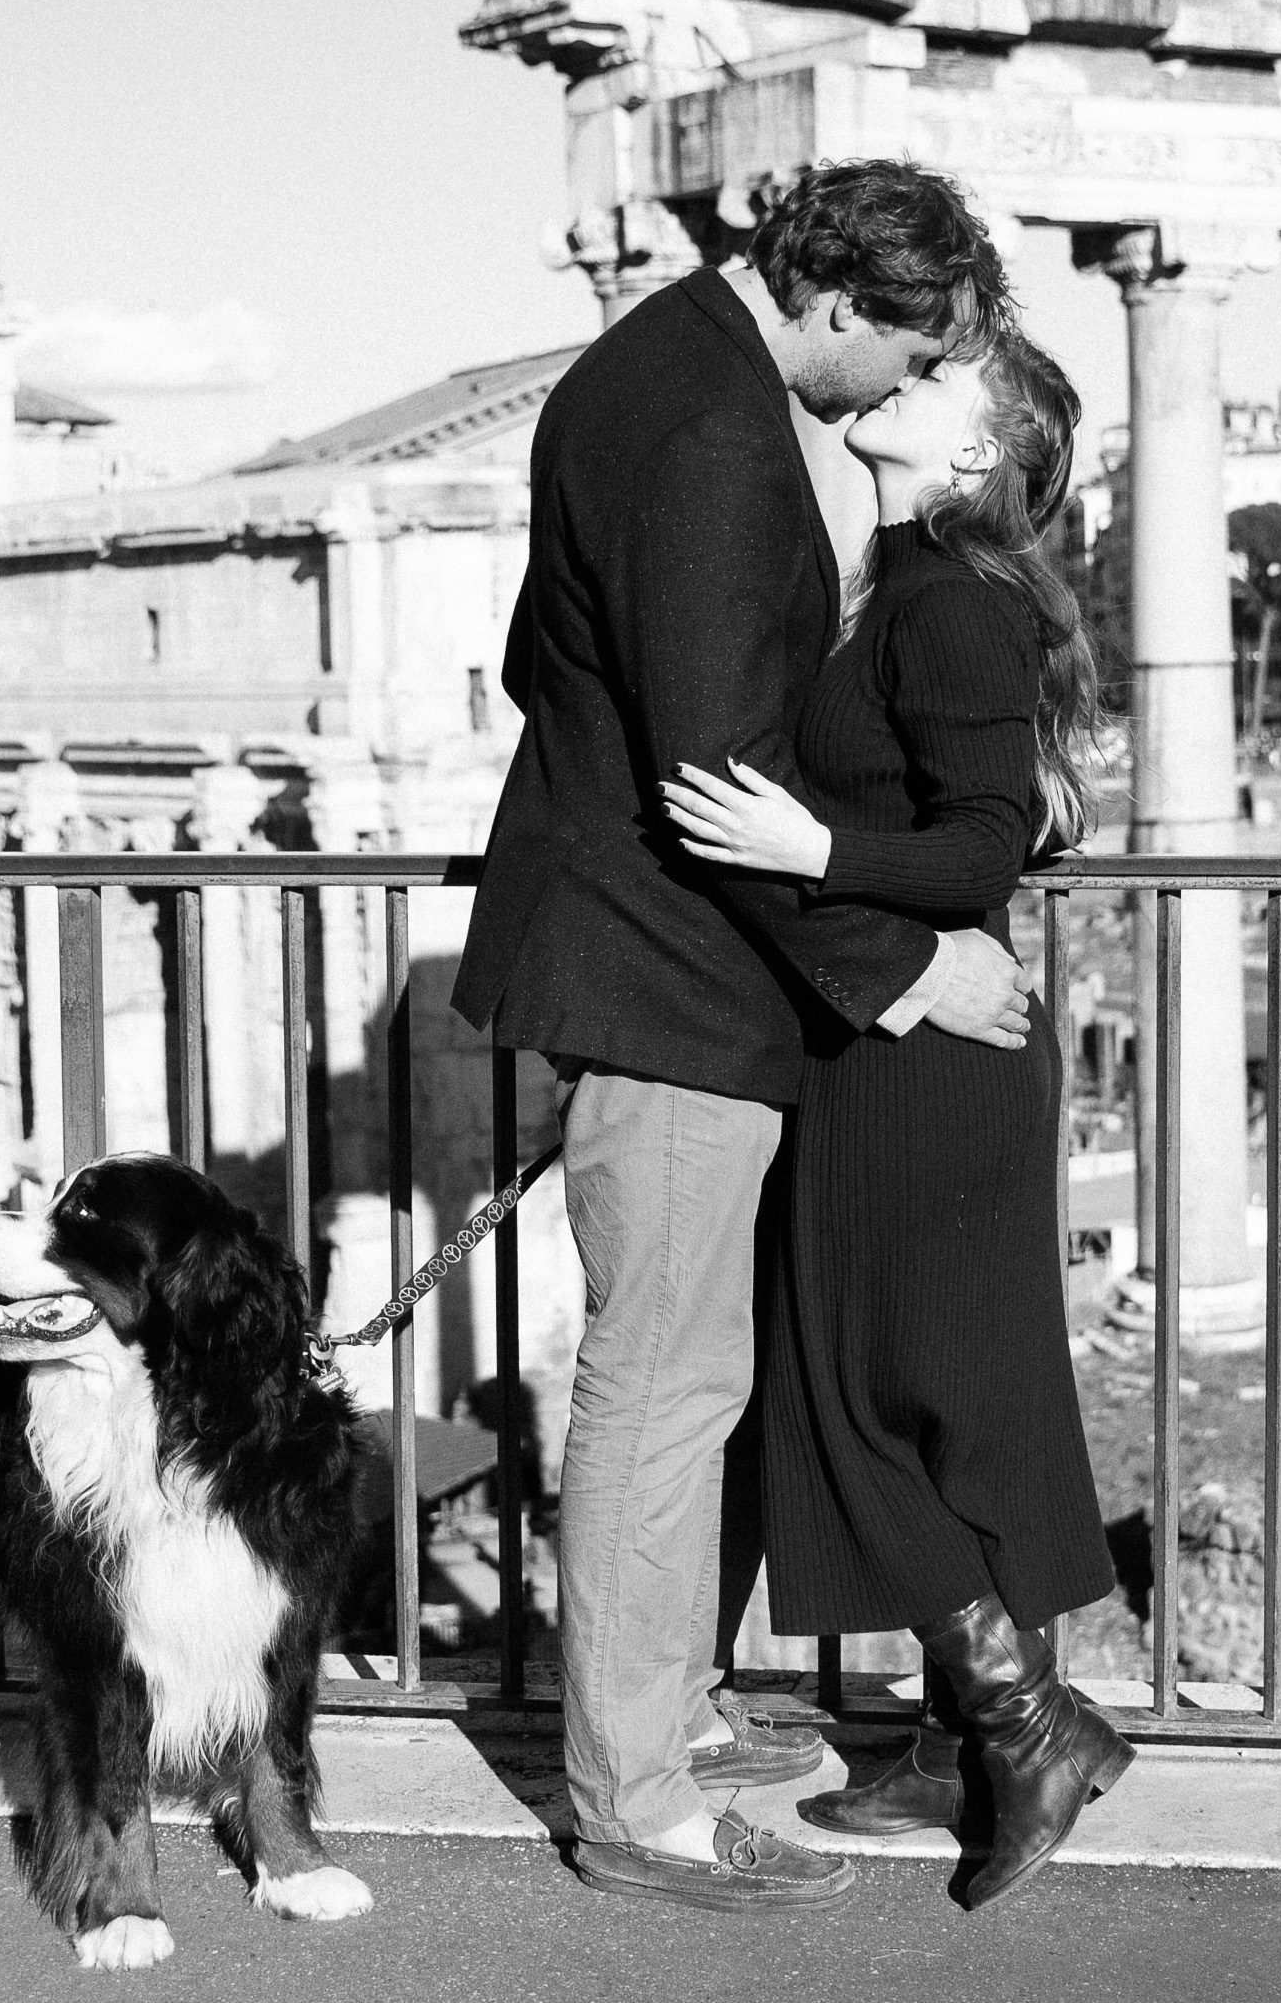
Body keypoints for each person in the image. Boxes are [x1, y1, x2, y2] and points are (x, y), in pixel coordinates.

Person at [451, 161, 1032, 1913]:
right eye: (913, 354)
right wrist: (905, 964)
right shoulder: (712, 427)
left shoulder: (664, 366)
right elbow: (721, 779)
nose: (905, 396)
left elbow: (536, 666)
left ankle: (671, 1719)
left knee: (681, 1373)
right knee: (664, 1384)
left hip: (654, 959)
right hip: (671, 974)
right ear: (842, 304)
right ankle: (635, 1802)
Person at [660, 330, 1128, 1913]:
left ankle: (1022, 1722)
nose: (902, 383)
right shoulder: (915, 581)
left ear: (982, 452)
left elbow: (981, 847)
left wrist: (809, 841)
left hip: (917, 1058)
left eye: (938, 382)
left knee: (852, 1399)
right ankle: (969, 1739)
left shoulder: (946, 596)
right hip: (917, 1051)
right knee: (955, 1399)